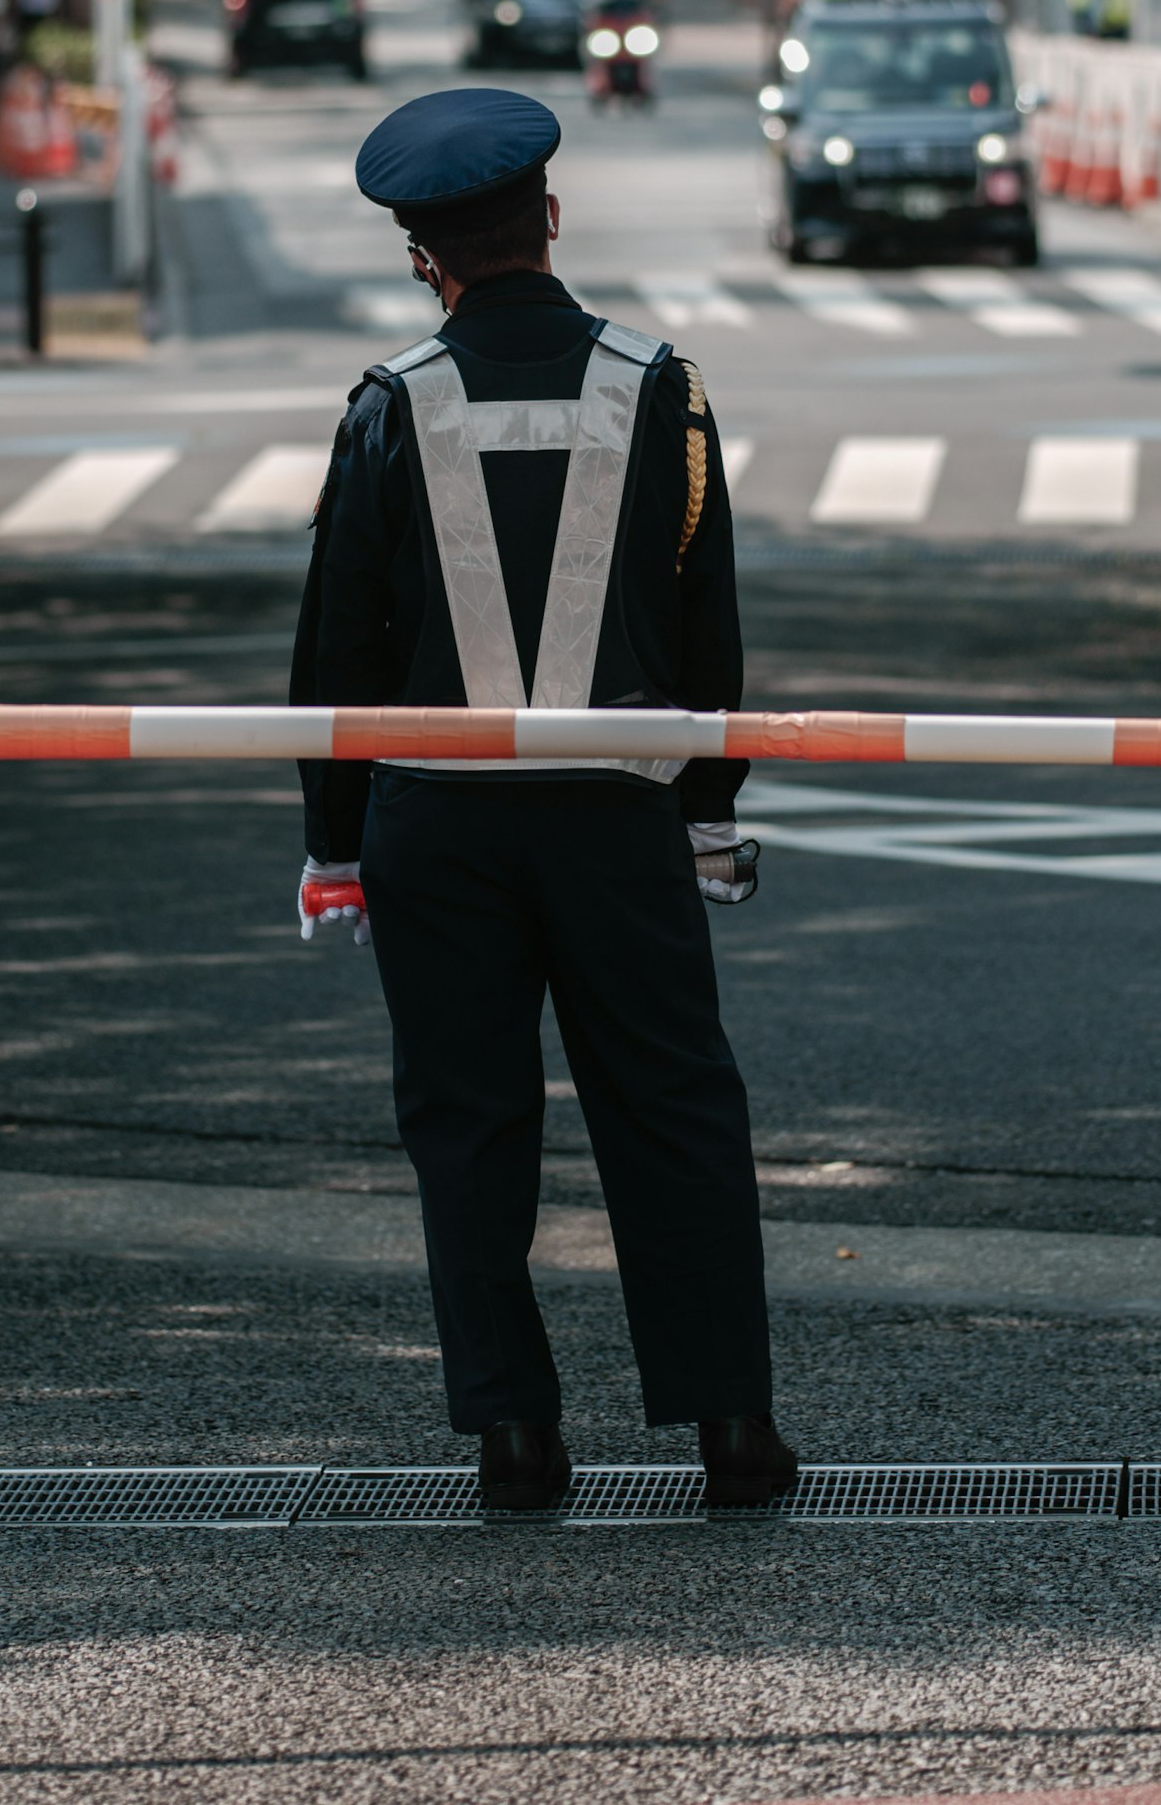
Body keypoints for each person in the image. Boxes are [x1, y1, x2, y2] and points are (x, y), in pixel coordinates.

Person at [289, 85, 789, 1517]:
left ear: (423, 259)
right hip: (619, 810)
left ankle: (515, 1436)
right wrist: (708, 804)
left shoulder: (391, 407)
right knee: (674, 1105)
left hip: (436, 816)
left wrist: (334, 839)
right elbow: (708, 625)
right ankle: (730, 1428)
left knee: (468, 1120)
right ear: (551, 221)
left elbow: (339, 650)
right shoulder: (661, 387)